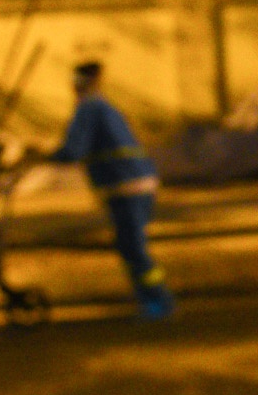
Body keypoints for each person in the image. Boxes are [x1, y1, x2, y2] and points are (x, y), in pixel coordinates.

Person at [50, 61, 174, 319]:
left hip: (126, 184)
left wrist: (43, 156)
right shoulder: (103, 106)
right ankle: (154, 300)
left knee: (133, 248)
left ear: (77, 84)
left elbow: (74, 150)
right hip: (134, 182)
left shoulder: (89, 109)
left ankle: (158, 302)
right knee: (131, 247)